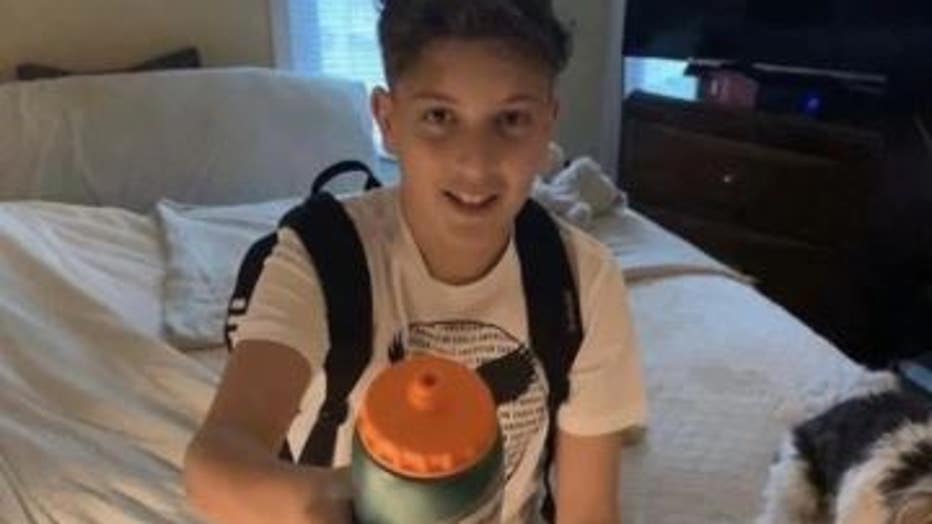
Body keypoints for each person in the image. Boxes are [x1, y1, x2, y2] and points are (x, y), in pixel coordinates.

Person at [183, 1, 646, 522]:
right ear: (388, 121)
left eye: (512, 119)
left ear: (547, 127)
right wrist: (352, 500)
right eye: (439, 117)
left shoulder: (583, 280)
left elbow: (588, 513)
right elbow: (216, 460)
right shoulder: (318, 256)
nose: (476, 163)